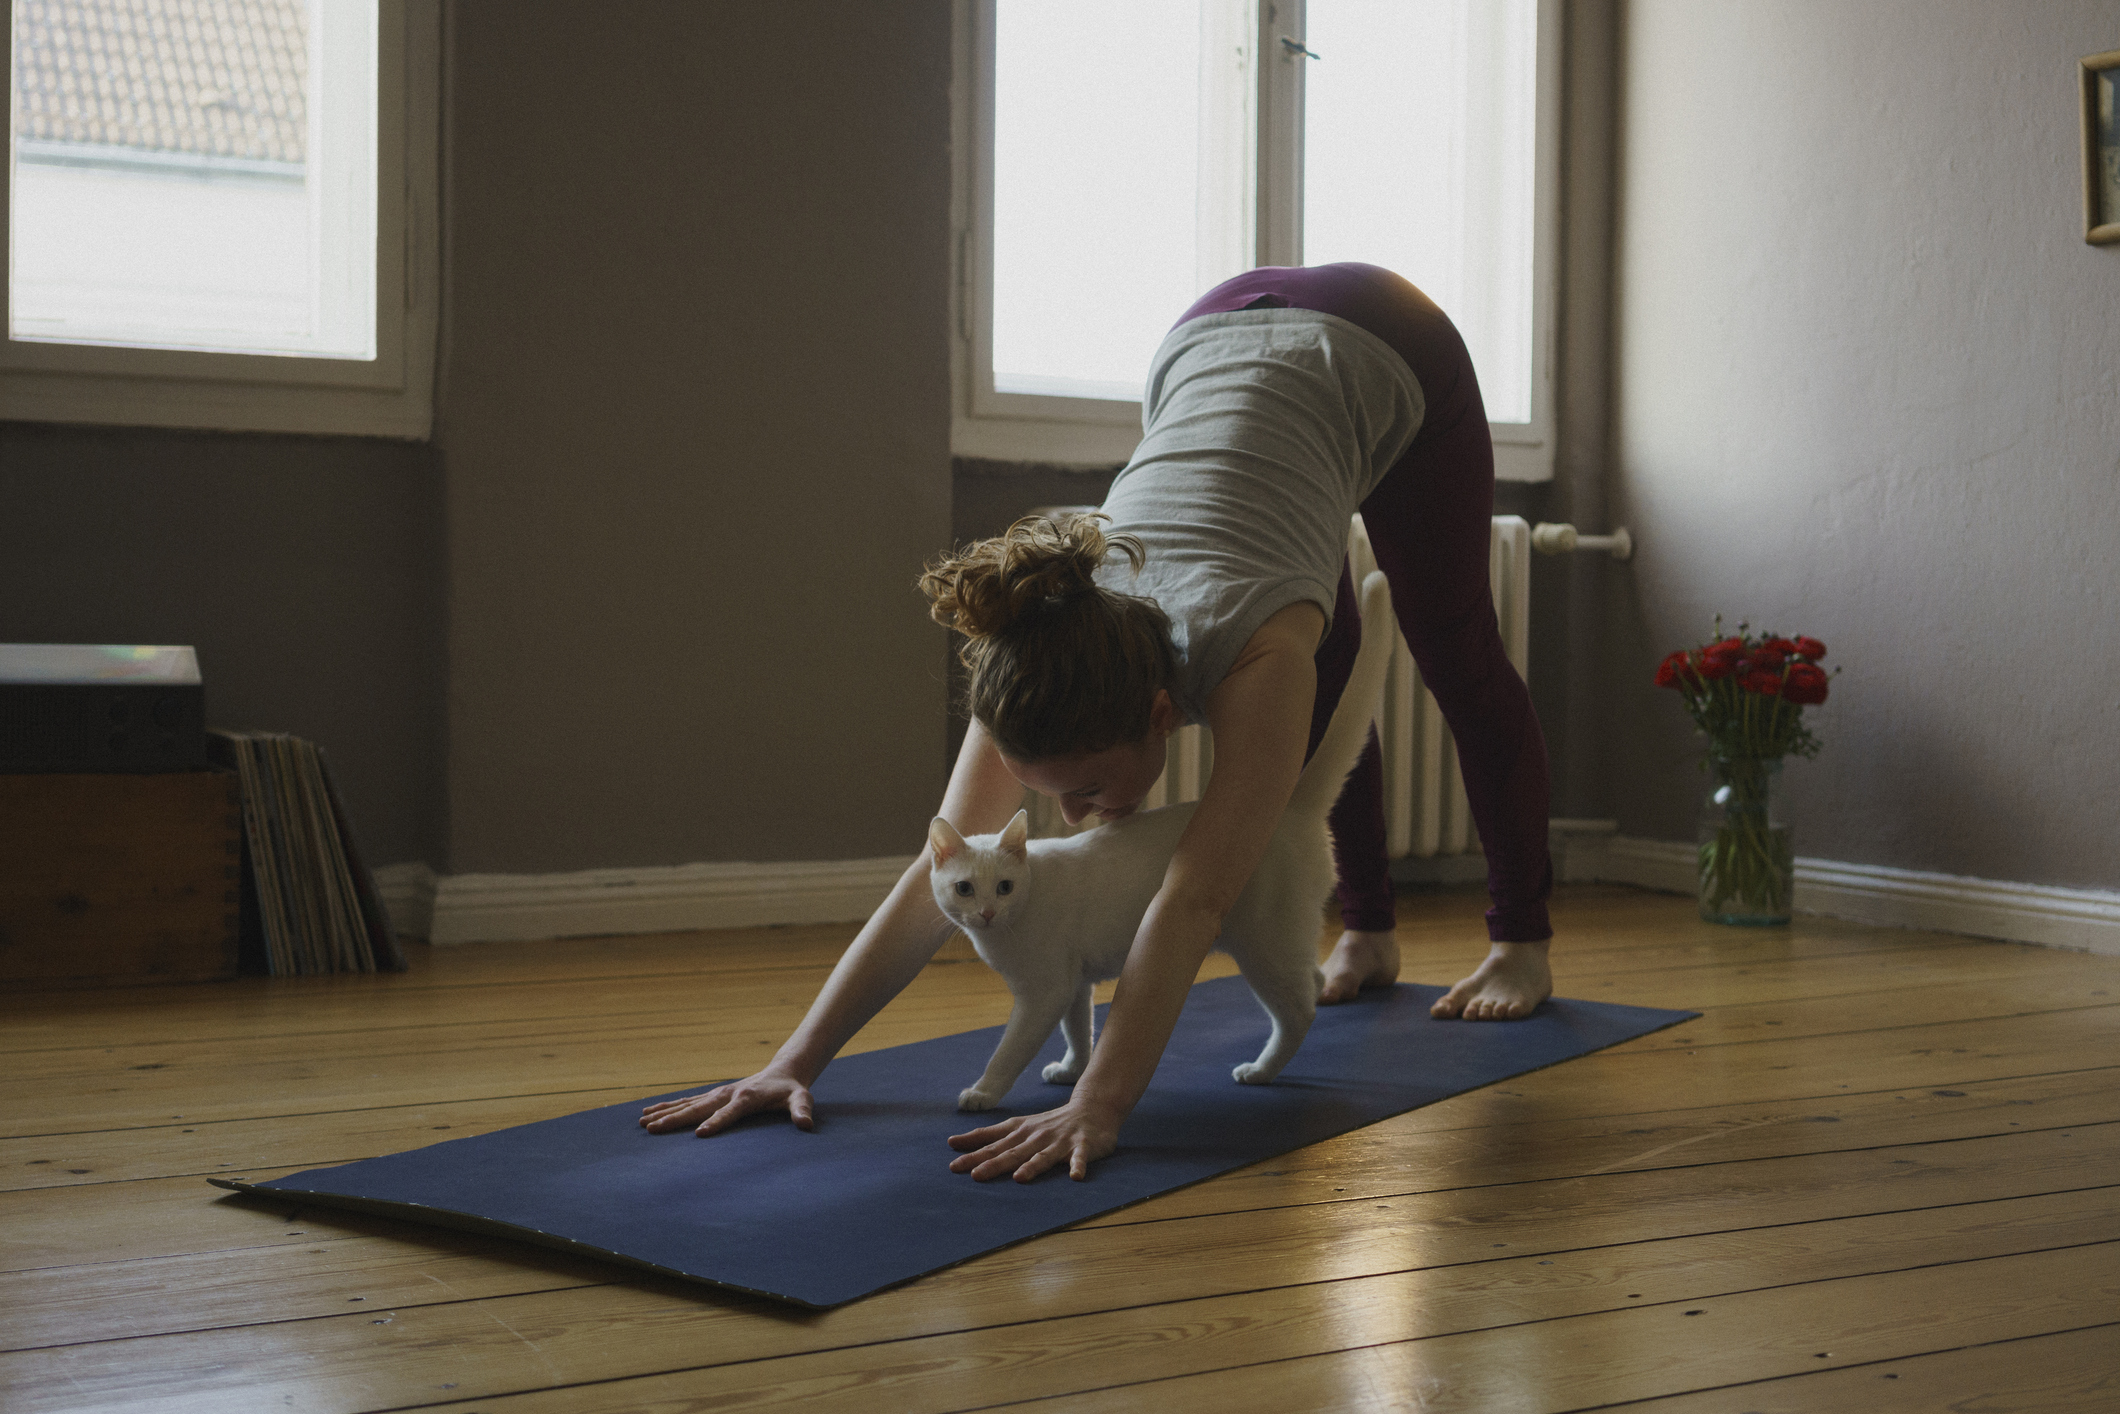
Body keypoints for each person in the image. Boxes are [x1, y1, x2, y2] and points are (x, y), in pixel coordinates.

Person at [640, 262, 1554, 1182]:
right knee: (1321, 639)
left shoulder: (1258, 656)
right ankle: (1369, 932)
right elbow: (933, 880)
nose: (1075, 818)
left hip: (1387, 341)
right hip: (1207, 336)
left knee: (1456, 653)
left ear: (1163, 712)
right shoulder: (1042, 653)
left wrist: (1101, 1100)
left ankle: (1520, 942)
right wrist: (793, 1061)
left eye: (1084, 790)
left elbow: (1193, 899)